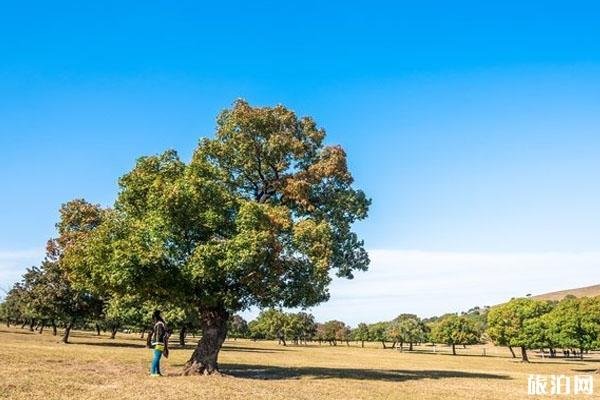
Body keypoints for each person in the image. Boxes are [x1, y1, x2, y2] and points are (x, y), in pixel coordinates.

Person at [149, 310, 169, 377]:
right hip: (159, 342)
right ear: (159, 315)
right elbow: (159, 334)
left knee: (157, 357)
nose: (163, 315)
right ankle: (152, 372)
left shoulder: (157, 323)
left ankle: (157, 372)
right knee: (156, 357)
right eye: (162, 314)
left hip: (157, 342)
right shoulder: (160, 323)